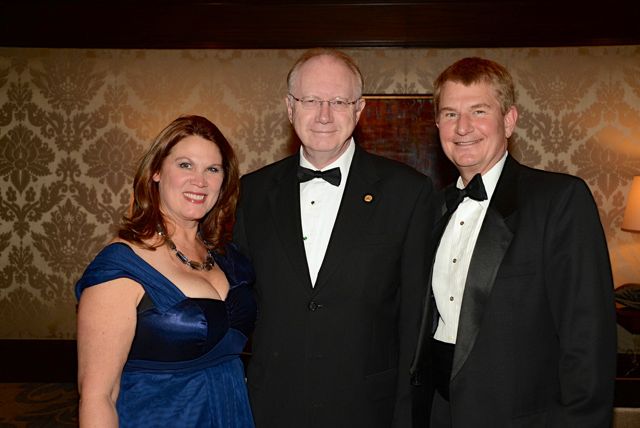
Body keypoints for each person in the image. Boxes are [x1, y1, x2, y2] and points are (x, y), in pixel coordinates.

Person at [233, 48, 435, 428]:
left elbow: (415, 321)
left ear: (359, 110)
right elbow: (240, 302)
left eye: (339, 101)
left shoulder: (408, 192)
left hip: (368, 409)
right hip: (271, 407)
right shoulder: (253, 192)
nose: (324, 115)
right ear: (290, 108)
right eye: (311, 100)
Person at [410, 57, 617, 427]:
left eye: (479, 111)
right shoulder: (430, 210)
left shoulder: (559, 201)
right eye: (450, 114)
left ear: (509, 120)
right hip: (437, 414)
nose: (463, 127)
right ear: (438, 123)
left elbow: (589, 340)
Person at [76, 115, 256, 427]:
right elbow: (98, 397)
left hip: (232, 413)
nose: (200, 181)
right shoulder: (121, 265)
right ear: (156, 171)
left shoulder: (228, 257)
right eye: (185, 165)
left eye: (212, 169)